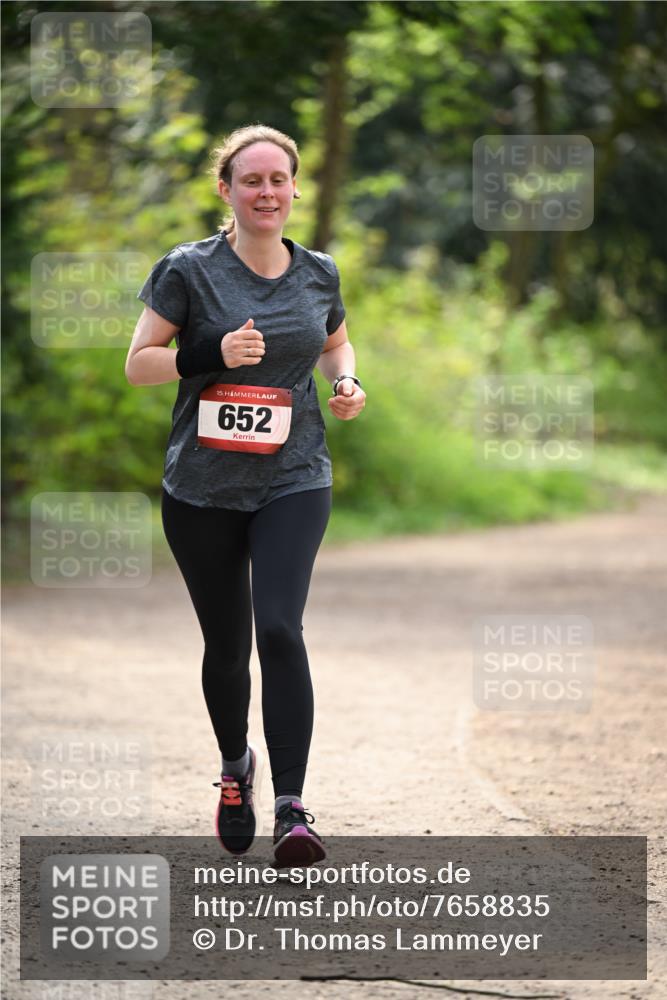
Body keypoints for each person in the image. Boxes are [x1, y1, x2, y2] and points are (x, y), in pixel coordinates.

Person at [125, 124, 365, 866]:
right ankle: (237, 768)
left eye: (278, 180)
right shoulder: (189, 270)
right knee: (227, 650)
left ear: (295, 188)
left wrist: (347, 381)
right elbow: (139, 363)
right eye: (251, 180)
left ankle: (293, 810)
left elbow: (334, 343)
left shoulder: (318, 271)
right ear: (225, 190)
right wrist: (212, 353)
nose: (266, 192)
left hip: (294, 475)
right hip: (201, 488)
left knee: (280, 629)